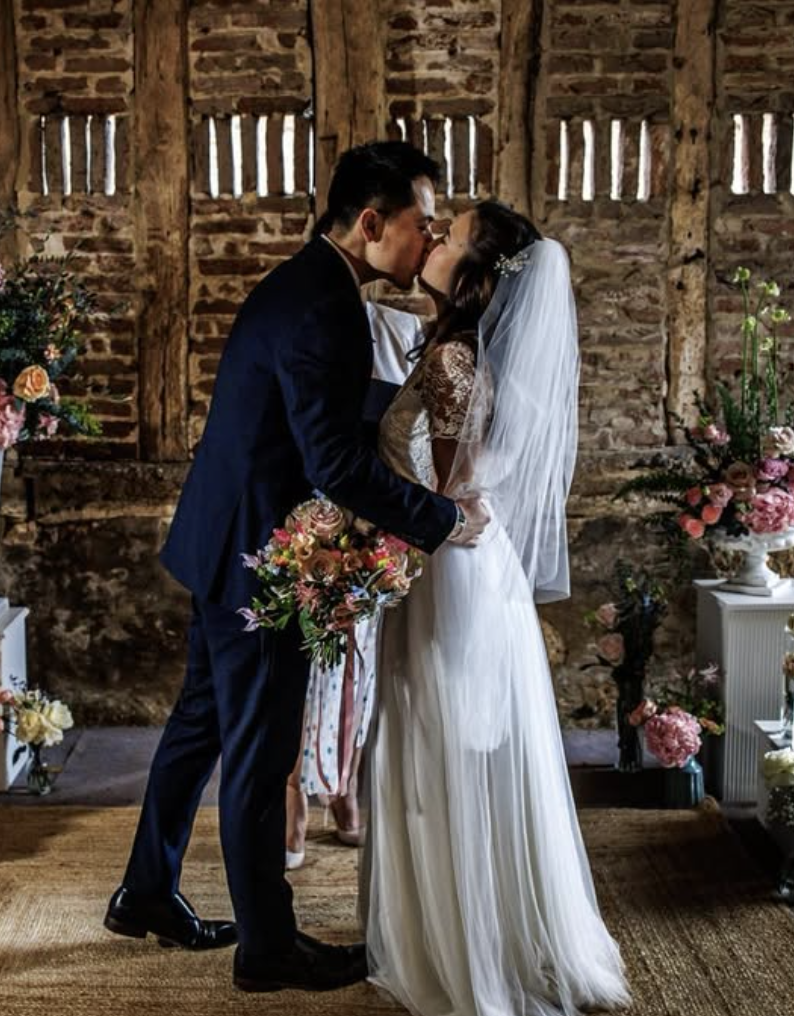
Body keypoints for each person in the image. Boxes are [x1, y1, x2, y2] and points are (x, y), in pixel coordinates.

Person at [104, 142, 490, 994]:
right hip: (256, 562)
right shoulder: (325, 308)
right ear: (370, 222)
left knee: (202, 725)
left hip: (221, 536)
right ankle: (267, 949)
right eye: (422, 225)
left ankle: (145, 892)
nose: (428, 242)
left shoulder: (305, 286)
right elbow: (336, 465)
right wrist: (441, 518)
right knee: (257, 746)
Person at [362, 202, 632, 1015]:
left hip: (451, 572)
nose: (433, 237)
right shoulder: (470, 350)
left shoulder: (451, 359)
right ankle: (504, 938)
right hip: (486, 570)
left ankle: (467, 959)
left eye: (450, 236)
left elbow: (451, 490)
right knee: (474, 756)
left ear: (478, 275)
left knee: (445, 754)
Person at [285, 299, 422, 869]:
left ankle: (347, 786)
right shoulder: (301, 320)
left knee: (363, 659)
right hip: (304, 518)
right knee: (304, 659)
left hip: (374, 518)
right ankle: (292, 787)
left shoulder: (406, 329)